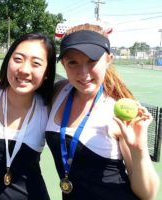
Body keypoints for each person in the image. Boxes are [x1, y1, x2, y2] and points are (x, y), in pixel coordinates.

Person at [45, 23, 160, 200]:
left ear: (108, 59)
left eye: (92, 61)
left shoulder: (118, 112)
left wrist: (138, 149)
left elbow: (148, 194)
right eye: (73, 62)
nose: (83, 73)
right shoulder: (59, 91)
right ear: (63, 64)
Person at [0, 33, 56, 200]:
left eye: (36, 63)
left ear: (47, 73)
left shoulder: (49, 108)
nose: (24, 70)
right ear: (8, 61)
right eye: (18, 59)